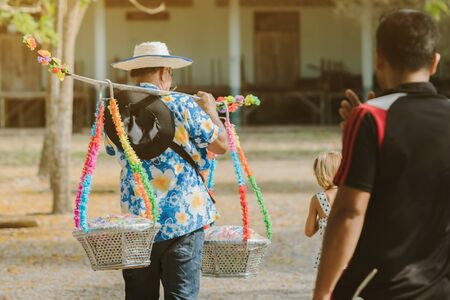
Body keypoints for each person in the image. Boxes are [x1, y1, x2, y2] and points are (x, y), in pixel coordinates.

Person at [313, 9, 450, 300]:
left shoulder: (372, 118)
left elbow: (350, 211)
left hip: (384, 286)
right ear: (434, 61)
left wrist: (323, 293)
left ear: (378, 58)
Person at [107, 41, 228, 300]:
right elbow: (221, 145)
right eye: (170, 74)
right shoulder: (183, 105)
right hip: (183, 217)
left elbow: (110, 150)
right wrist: (212, 112)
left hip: (137, 220)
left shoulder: (112, 110)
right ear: (163, 73)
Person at [305, 151, 342, 269]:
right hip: (350, 253)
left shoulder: (318, 199)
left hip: (328, 257)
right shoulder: (350, 195)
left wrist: (323, 218)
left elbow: (309, 232)